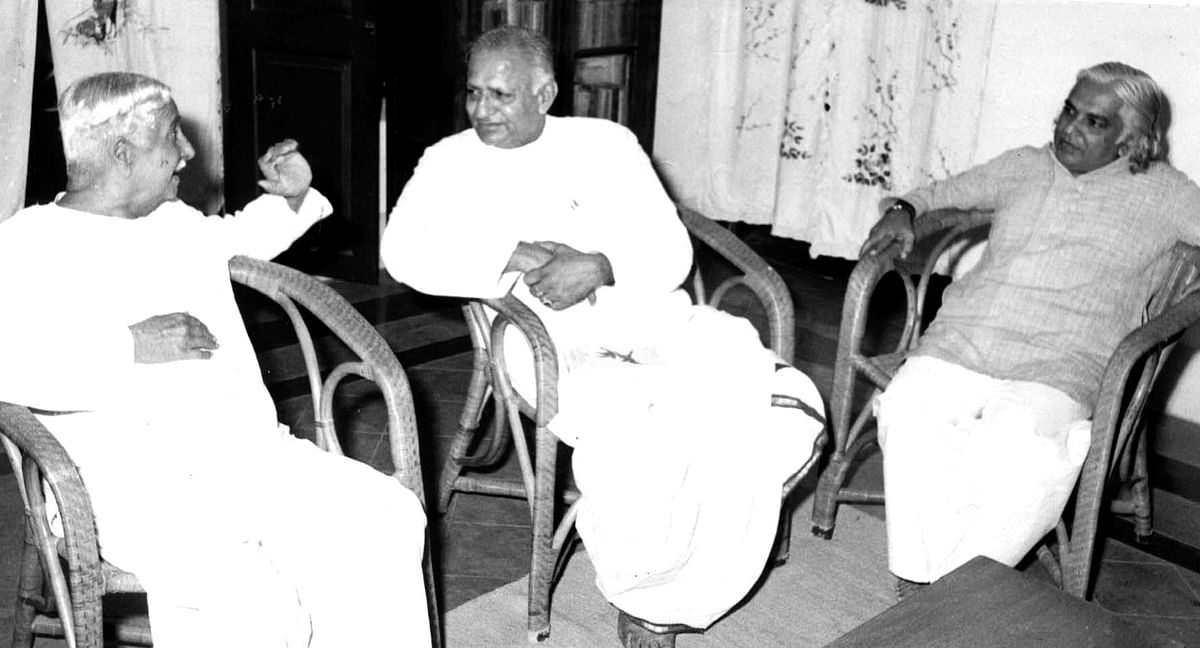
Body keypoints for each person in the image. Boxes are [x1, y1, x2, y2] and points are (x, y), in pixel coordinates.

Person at [382, 25, 825, 648]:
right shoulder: (448, 161)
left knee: (779, 401)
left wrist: (599, 265)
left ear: (545, 92)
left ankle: (687, 575)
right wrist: (513, 251)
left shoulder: (607, 144)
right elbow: (400, 253)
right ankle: (652, 603)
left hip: (644, 313)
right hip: (539, 338)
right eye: (474, 93)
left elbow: (670, 250)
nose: (481, 111)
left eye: (500, 96)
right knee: (640, 448)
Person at [0, 72, 431, 647]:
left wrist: (295, 195)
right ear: (123, 153)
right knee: (262, 610)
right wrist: (127, 346)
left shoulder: (173, 222)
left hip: (247, 456)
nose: (189, 152)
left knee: (386, 520)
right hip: (131, 486)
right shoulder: (27, 245)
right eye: (174, 136)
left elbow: (245, 234)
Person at [859, 61, 1200, 595]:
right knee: (905, 412)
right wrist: (903, 208)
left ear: (1131, 138)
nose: (1068, 128)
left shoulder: (1167, 194)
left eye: (1094, 122)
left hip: (1063, 363)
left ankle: (950, 591)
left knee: (1022, 453)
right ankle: (921, 580)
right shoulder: (1025, 165)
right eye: (1070, 109)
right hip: (966, 338)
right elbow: (941, 192)